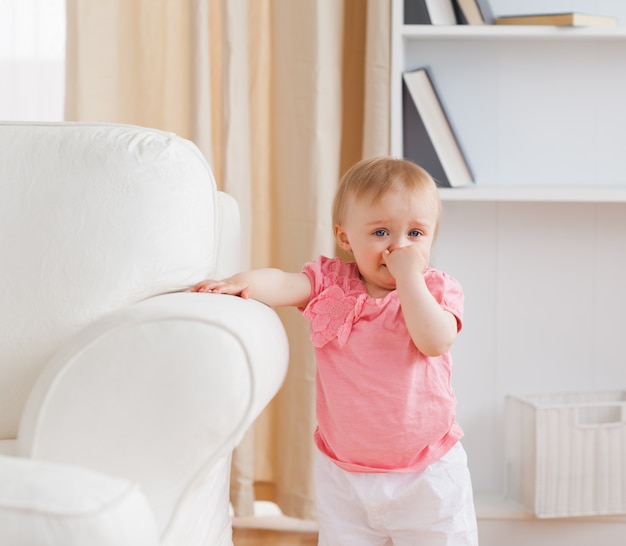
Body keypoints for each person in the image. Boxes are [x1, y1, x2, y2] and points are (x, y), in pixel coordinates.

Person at [192, 156, 478, 545]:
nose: (399, 246)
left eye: (415, 234)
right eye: (381, 233)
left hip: (427, 473)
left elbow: (435, 340)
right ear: (345, 237)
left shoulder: (437, 289)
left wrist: (410, 277)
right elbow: (283, 282)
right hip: (344, 473)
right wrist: (242, 282)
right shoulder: (330, 282)